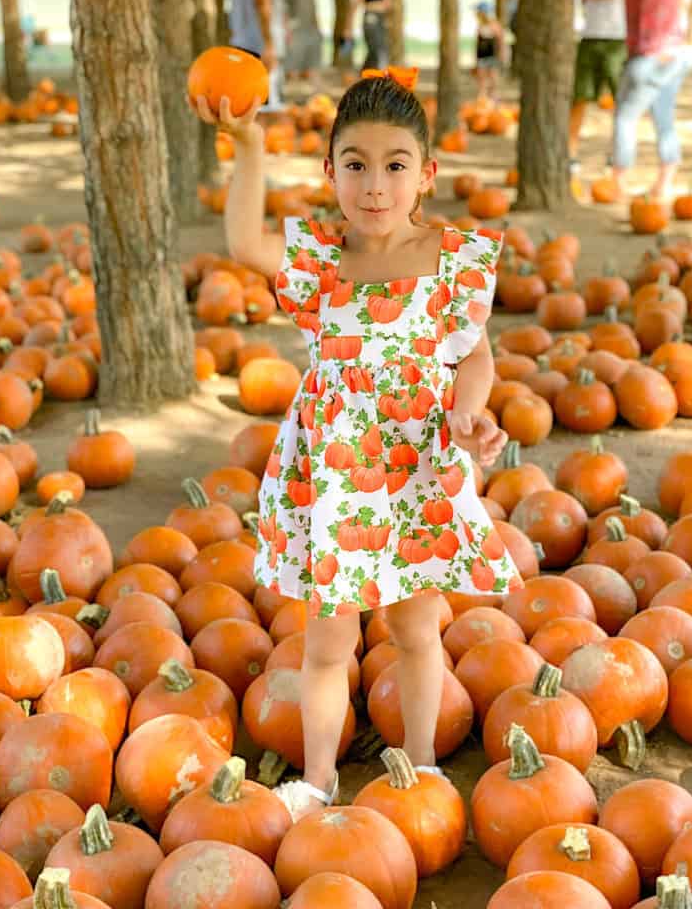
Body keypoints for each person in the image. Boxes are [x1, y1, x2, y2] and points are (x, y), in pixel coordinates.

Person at [193, 68, 520, 822]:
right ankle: (316, 779)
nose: (375, 185)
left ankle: (426, 766)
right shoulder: (317, 257)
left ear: (425, 174)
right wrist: (247, 147)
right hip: (337, 475)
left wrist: (469, 416)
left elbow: (473, 353)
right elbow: (245, 240)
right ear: (330, 169)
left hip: (414, 466)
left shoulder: (453, 260)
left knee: (413, 627)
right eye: (355, 165)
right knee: (328, 639)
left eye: (395, 165)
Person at [578, 0, 689, 199]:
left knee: (625, 118)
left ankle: (618, 178)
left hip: (650, 56)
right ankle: (664, 182)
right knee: (663, 119)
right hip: (673, 55)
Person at [569, 0, 634, 173]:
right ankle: (569, 153)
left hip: (619, 37)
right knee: (579, 96)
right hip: (591, 33)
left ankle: (616, 155)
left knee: (621, 101)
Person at [283, 0, 322, 87]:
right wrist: (286, 28)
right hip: (295, 27)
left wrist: (318, 26)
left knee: (313, 64)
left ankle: (315, 99)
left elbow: (313, 4)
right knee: (293, 65)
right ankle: (291, 97)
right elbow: (284, 4)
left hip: (311, 27)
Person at [473, 1, 507, 102]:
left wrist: (502, 55)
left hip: (492, 56)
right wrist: (475, 58)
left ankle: (494, 99)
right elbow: (477, 44)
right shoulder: (480, 26)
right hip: (481, 56)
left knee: (493, 79)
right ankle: (482, 100)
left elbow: (501, 42)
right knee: (481, 80)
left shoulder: (495, 26)